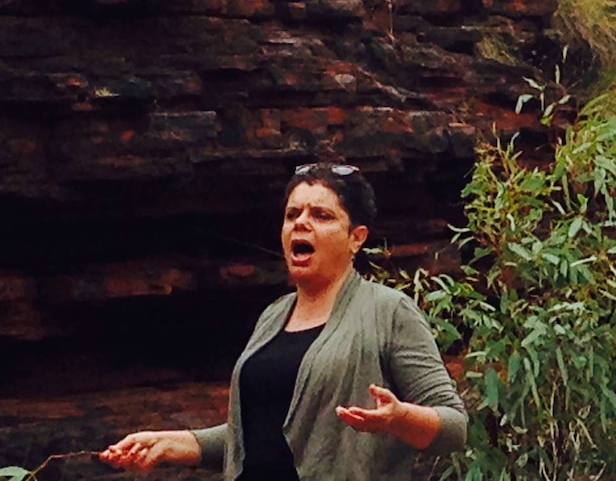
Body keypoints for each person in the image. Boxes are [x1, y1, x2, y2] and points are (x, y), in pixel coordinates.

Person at [99, 162, 468, 480]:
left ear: (356, 239)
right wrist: (176, 443)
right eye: (293, 215)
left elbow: (454, 428)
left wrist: (398, 417)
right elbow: (263, 433)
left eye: (321, 216)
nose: (301, 224)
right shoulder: (274, 315)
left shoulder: (388, 311)